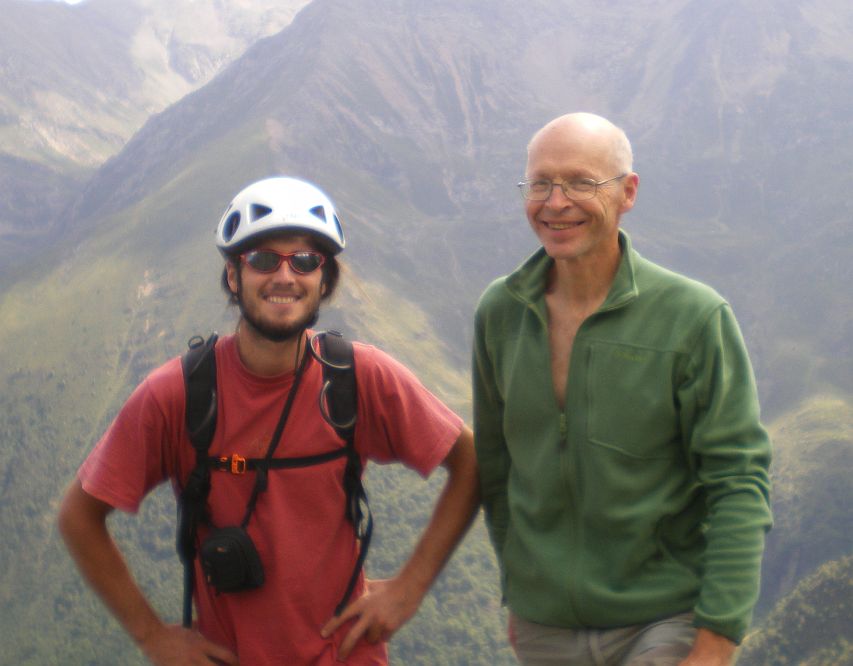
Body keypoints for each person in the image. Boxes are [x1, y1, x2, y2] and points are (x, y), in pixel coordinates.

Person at [58, 176, 479, 665]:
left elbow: (470, 460)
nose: (284, 276)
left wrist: (410, 588)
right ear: (233, 275)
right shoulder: (176, 395)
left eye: (305, 261)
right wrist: (151, 635)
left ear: (325, 280)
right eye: (262, 259)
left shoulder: (359, 378)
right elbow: (78, 516)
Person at [472, 113, 772, 666]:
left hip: (663, 619)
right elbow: (496, 464)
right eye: (540, 183)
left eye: (580, 182)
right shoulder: (501, 311)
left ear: (628, 192)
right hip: (545, 630)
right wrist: (522, 586)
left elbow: (738, 480)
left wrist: (717, 638)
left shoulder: (693, 317)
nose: (555, 202)